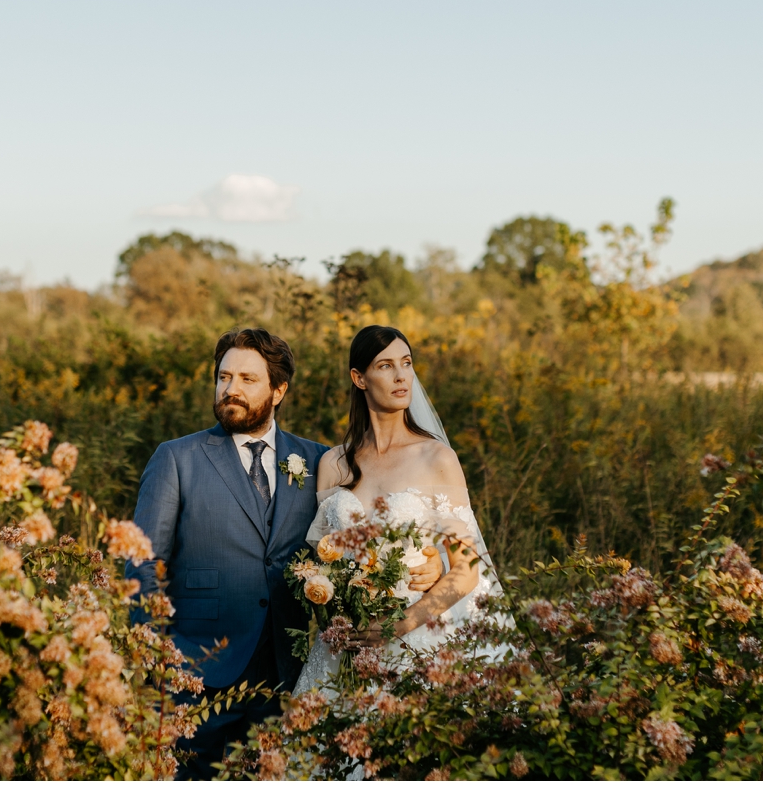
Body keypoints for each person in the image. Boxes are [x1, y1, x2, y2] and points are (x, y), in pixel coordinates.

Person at [127, 327, 445, 779]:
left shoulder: (320, 461)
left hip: (286, 676)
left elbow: (363, 537)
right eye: (224, 377)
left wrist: (429, 560)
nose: (230, 389)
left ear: (279, 391)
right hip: (194, 675)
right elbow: (141, 562)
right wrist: (156, 658)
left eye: (247, 379)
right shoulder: (177, 458)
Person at [293, 324, 501, 697]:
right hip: (348, 644)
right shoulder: (333, 465)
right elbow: (325, 564)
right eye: (385, 366)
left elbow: (467, 570)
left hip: (417, 637)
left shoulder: (436, 458)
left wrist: (398, 626)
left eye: (406, 363)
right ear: (359, 378)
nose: (401, 375)